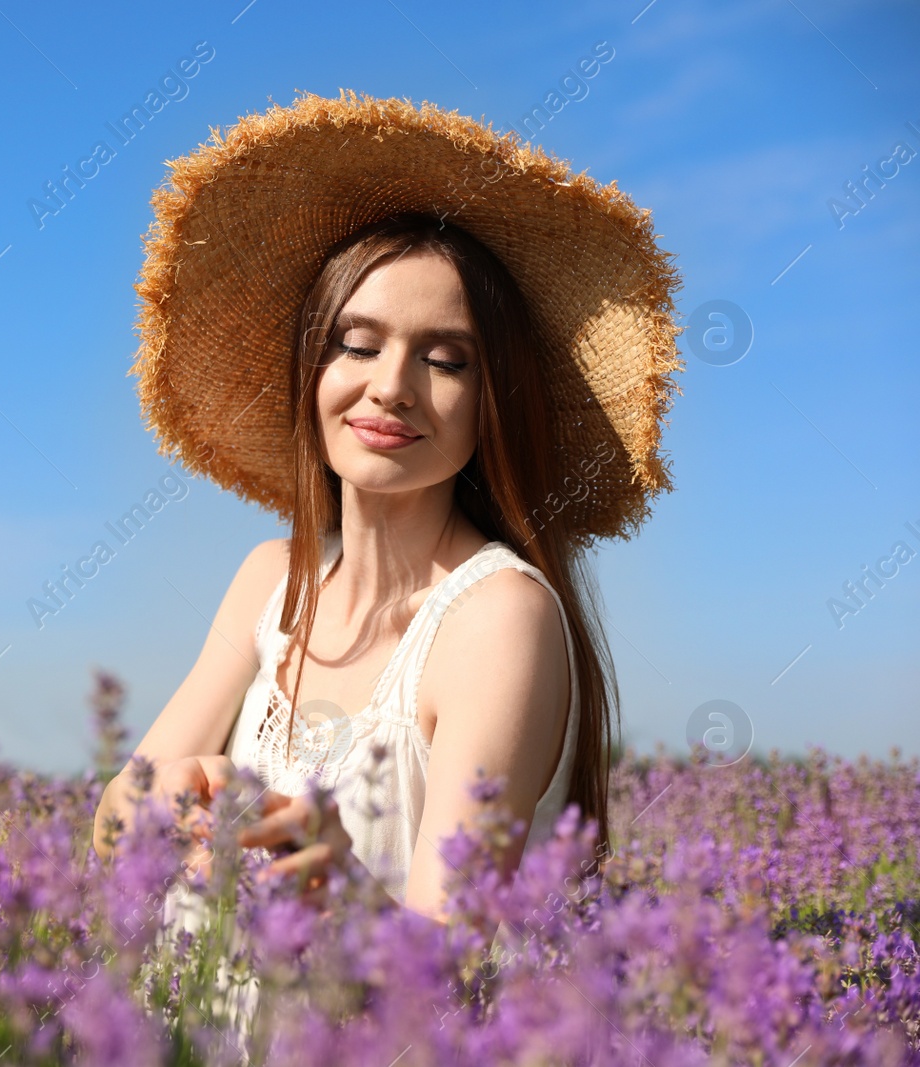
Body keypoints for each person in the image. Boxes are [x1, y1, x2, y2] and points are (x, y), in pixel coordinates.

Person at [91, 85, 681, 983]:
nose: (391, 387)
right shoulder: (270, 580)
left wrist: (341, 885)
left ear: (492, 402)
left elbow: (452, 967)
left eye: (445, 360)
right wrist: (165, 799)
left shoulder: (498, 619)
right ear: (311, 370)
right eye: (356, 345)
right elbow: (109, 825)